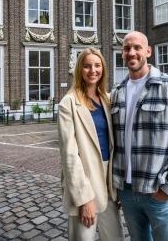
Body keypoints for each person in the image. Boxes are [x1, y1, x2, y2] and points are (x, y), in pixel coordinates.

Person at [111, 31, 168, 241]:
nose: (131, 52)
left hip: (157, 193)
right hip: (127, 192)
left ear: (148, 51)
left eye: (137, 48)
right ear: (122, 53)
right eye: (126, 48)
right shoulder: (116, 92)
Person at [58, 48, 124, 241]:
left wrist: (117, 185)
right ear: (79, 69)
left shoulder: (107, 99)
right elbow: (69, 156)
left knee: (115, 237)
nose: (92, 70)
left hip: (108, 183)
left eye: (97, 65)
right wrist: (84, 199)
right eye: (87, 66)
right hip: (84, 181)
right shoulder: (68, 103)